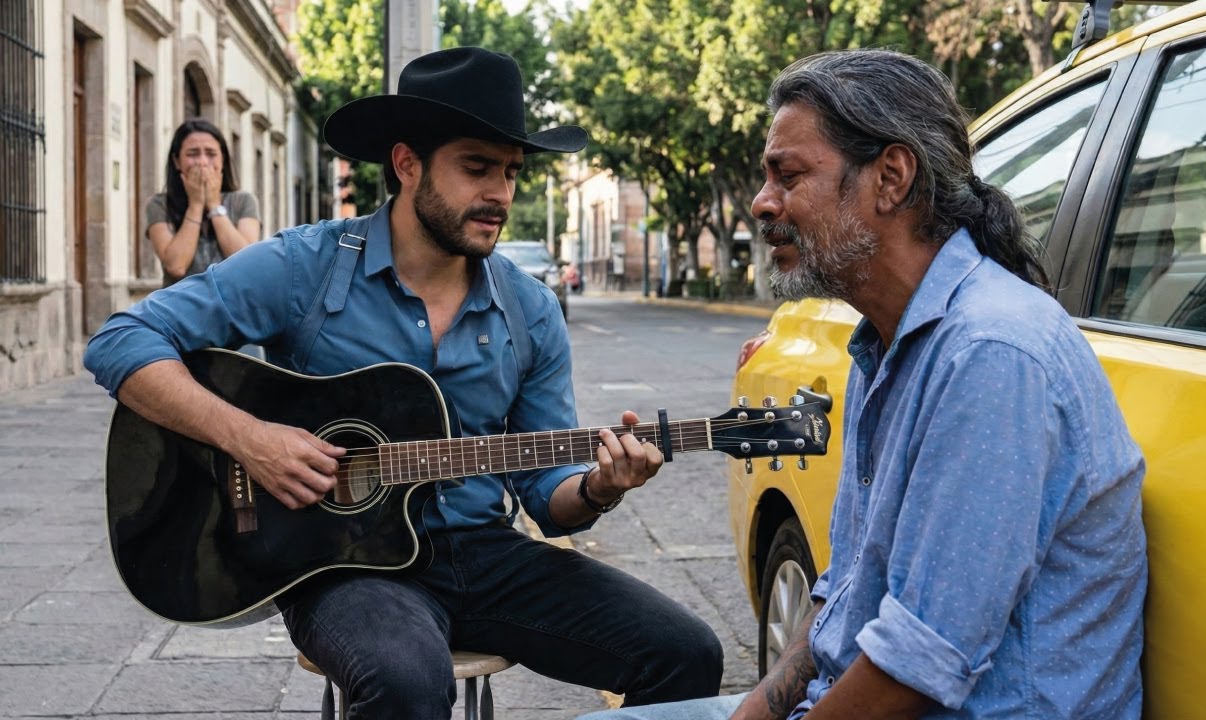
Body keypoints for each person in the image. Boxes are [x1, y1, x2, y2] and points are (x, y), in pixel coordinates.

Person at [84, 47, 722, 718]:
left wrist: (598, 486)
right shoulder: (308, 266)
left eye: (510, 172)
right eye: (476, 167)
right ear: (407, 164)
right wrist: (250, 439)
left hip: (486, 554)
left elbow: (544, 494)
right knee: (406, 682)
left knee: (687, 652)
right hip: (343, 567)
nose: (500, 194)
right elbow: (121, 340)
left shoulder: (530, 310)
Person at [580, 49, 1147, 720]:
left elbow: (916, 663)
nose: (762, 203)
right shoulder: (884, 342)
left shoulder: (992, 353)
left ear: (891, 177)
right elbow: (842, 594)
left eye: (787, 175)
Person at [146, 118, 260, 286]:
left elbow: (245, 262)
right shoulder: (159, 204)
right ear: (177, 161)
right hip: (180, 308)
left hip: (232, 308)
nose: (202, 162)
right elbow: (176, 266)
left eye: (211, 154)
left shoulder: (244, 201)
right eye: (192, 154)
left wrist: (214, 205)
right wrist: (196, 204)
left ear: (222, 160)